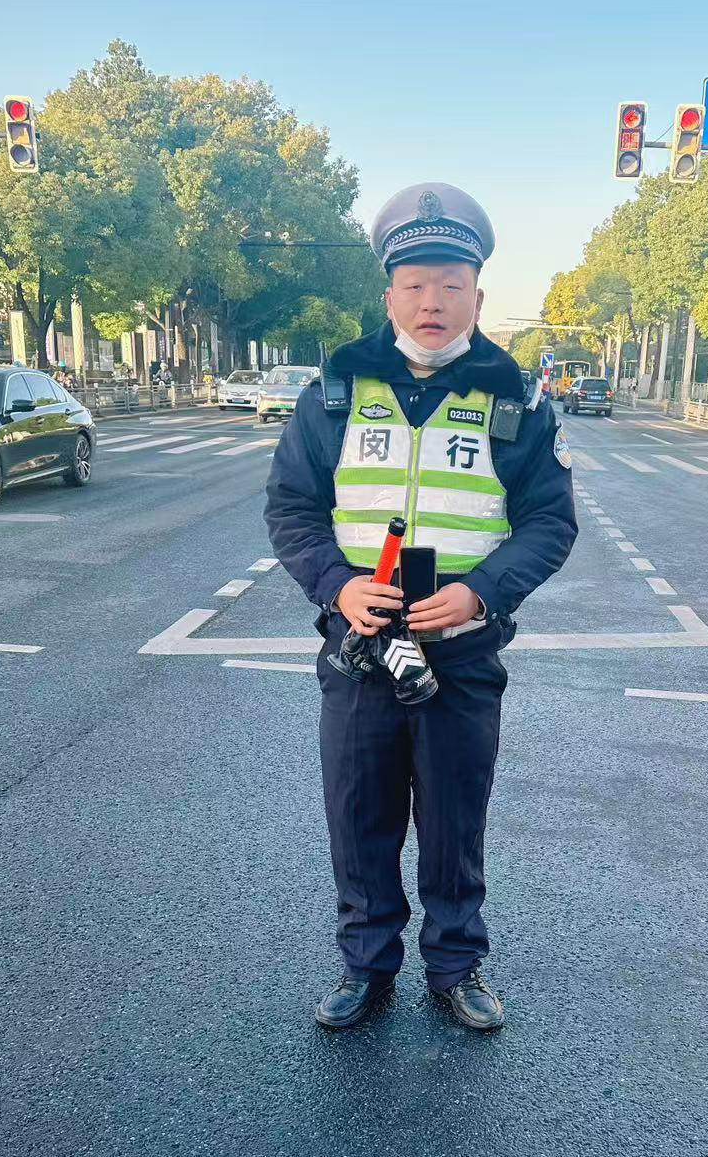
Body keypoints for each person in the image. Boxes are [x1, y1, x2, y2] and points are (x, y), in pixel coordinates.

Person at [264, 183, 577, 1032]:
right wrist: (337, 584)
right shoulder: (335, 391)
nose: (431, 302)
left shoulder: (515, 401)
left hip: (461, 654)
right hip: (361, 651)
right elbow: (291, 509)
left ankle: (455, 967)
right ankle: (366, 967)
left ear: (478, 294)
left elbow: (549, 522)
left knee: (452, 823)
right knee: (359, 818)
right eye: (414, 284)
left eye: (450, 283)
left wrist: (483, 590)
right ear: (389, 295)